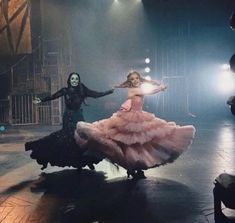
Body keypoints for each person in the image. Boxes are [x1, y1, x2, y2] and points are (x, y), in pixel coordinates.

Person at [74, 70, 196, 179]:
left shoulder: (139, 88)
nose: (135, 80)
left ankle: (138, 168)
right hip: (130, 119)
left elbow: (143, 93)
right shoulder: (133, 90)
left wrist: (154, 83)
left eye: (137, 78)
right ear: (130, 82)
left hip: (140, 116)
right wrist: (160, 87)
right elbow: (148, 92)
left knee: (140, 144)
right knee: (130, 144)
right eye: (132, 79)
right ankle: (132, 168)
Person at [25, 72, 114, 171]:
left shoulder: (82, 90)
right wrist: (41, 100)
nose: (74, 81)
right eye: (72, 79)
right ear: (69, 80)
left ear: (78, 80)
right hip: (68, 117)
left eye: (76, 79)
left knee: (81, 140)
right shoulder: (65, 90)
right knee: (67, 140)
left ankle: (85, 161)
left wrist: (109, 91)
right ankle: (57, 158)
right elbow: (53, 96)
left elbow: (96, 94)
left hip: (78, 117)